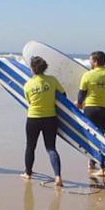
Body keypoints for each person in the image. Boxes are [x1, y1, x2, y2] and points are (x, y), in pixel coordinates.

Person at [22, 56, 64, 186]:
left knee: (30, 146)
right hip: (50, 118)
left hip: (33, 118)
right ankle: (58, 176)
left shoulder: (28, 85)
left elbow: (29, 101)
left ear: (32, 68)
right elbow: (63, 95)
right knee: (51, 148)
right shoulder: (52, 80)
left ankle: (28, 173)